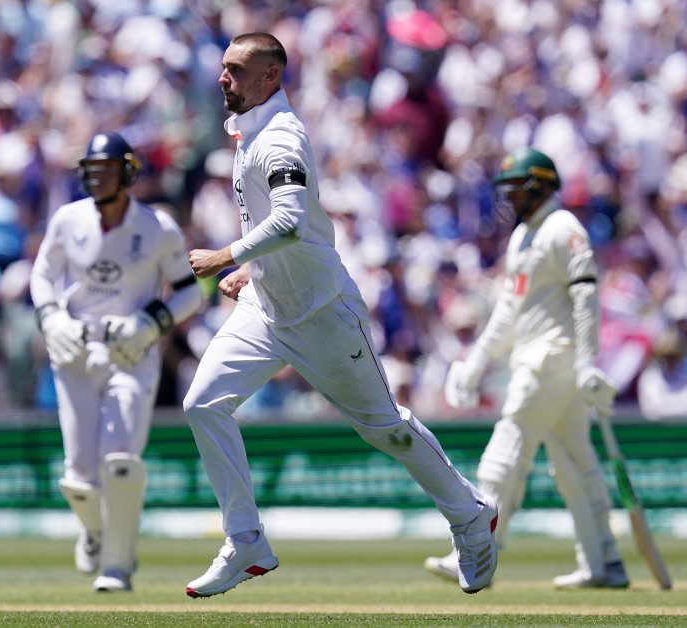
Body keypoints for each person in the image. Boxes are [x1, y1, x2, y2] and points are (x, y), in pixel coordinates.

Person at [183, 32, 498, 598]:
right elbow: (283, 228)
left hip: (322, 312)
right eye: (224, 67)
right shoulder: (249, 130)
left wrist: (224, 256)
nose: (224, 77)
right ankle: (246, 539)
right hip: (266, 306)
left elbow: (290, 222)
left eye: (237, 69)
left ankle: (471, 516)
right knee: (202, 403)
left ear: (270, 76)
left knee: (386, 429)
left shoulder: (281, 136)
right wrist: (253, 270)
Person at [426, 147, 630, 589]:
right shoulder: (523, 235)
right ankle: (604, 562)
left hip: (551, 360)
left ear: (539, 186)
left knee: (505, 452)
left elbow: (586, 295)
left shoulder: (564, 229)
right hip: (539, 360)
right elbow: (507, 311)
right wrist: (476, 361)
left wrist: (587, 362)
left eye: (516, 188)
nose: (509, 198)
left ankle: (476, 554)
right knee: (575, 464)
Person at [29, 132, 202, 592]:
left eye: (107, 169)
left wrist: (151, 322)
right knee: (80, 475)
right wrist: (51, 318)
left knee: (120, 461)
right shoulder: (68, 219)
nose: (98, 178)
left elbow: (189, 291)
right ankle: (95, 532)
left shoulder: (157, 227)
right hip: (74, 349)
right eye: (92, 169)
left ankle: (117, 566)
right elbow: (42, 275)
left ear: (127, 173)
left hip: (132, 352)